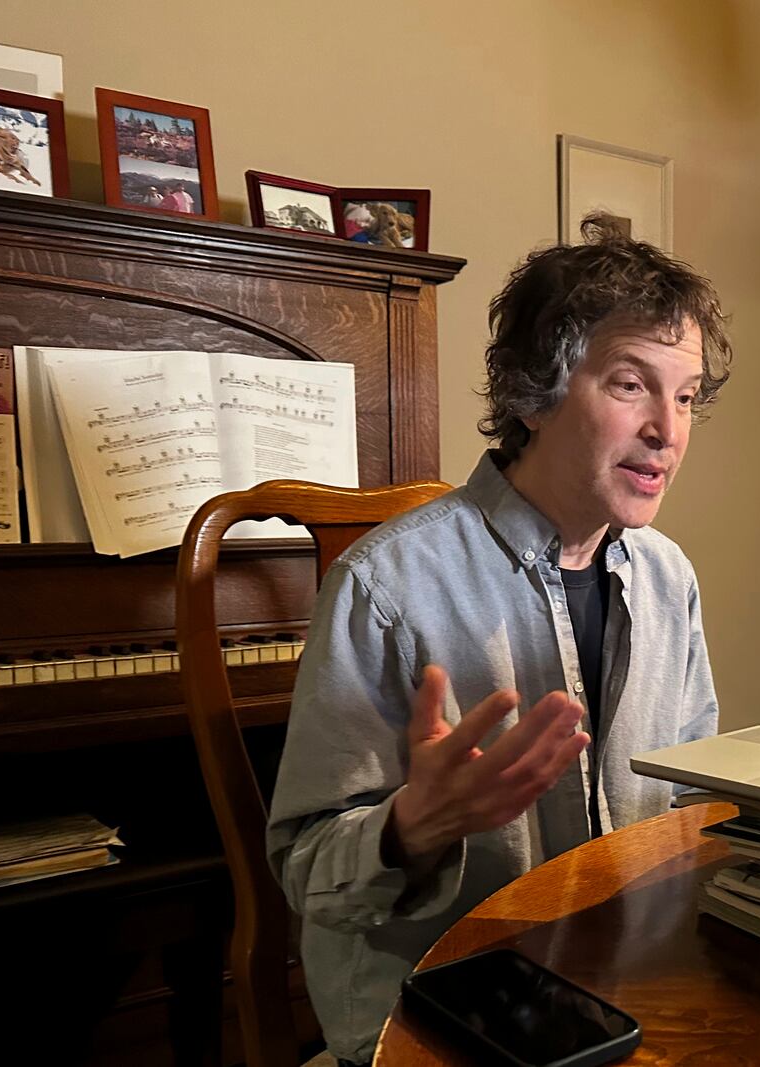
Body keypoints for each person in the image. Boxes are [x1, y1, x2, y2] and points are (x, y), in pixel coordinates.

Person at [267, 214, 732, 1065]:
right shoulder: (385, 586)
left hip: (623, 997)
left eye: (688, 394)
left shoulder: (670, 578)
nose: (669, 430)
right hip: (437, 1020)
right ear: (532, 391)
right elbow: (307, 872)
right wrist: (415, 826)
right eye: (632, 385)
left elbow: (690, 811)